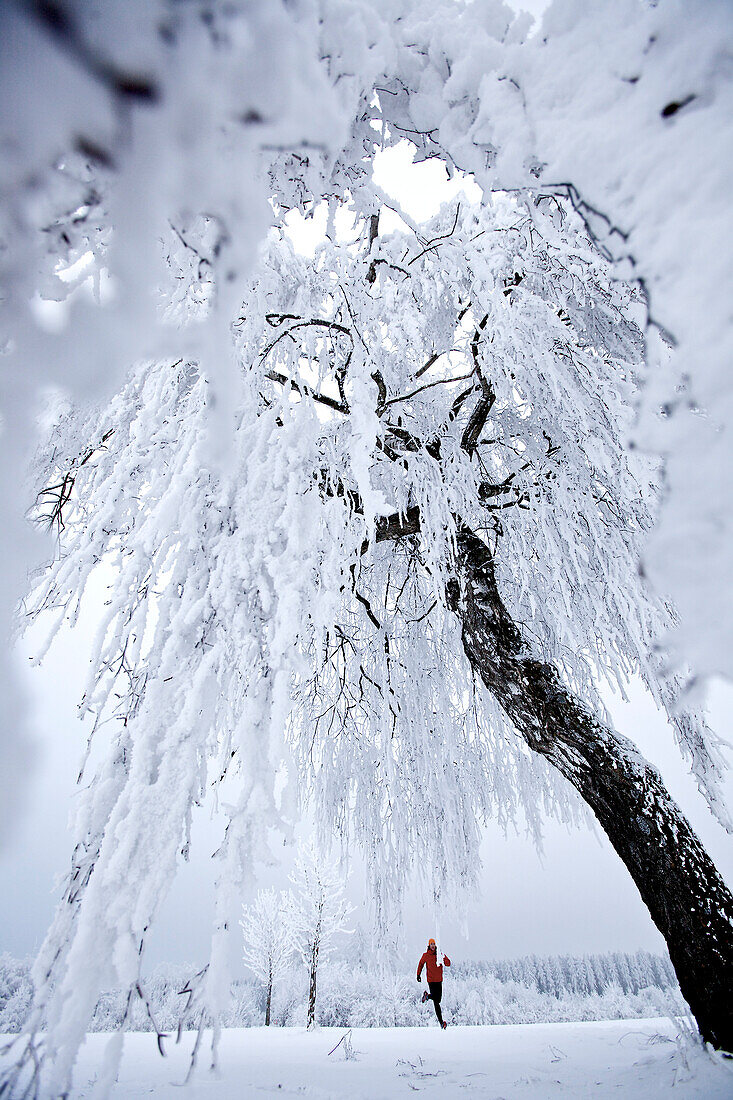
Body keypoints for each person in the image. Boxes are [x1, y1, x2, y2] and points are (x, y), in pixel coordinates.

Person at [417, 938, 451, 1028]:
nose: (433, 946)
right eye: (431, 944)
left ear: (436, 945)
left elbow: (448, 963)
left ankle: (427, 996)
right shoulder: (426, 955)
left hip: (439, 980)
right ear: (429, 945)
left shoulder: (439, 954)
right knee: (436, 1002)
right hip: (431, 980)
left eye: (434, 944)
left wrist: (443, 958)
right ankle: (441, 1022)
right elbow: (421, 964)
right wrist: (418, 975)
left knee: (438, 999)